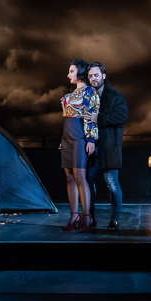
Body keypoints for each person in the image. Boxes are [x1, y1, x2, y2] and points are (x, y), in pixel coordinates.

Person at [86, 62, 128, 231]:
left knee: (112, 184)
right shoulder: (88, 96)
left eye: (96, 75)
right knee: (87, 182)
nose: (93, 78)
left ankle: (115, 219)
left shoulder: (114, 96)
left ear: (103, 76)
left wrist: (98, 118)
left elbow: (121, 116)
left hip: (109, 148)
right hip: (91, 148)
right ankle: (91, 218)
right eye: (90, 76)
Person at [59, 59, 99, 231]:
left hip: (80, 137)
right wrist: (62, 141)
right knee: (69, 177)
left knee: (80, 177)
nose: (68, 74)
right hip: (66, 137)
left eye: (71, 71)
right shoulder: (68, 95)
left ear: (80, 73)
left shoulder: (90, 92)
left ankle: (87, 218)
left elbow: (92, 117)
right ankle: (74, 216)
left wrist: (91, 140)